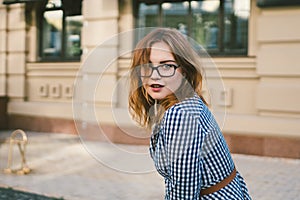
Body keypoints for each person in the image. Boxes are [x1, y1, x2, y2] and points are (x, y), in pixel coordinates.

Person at [128, 28, 251, 200]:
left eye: (166, 66)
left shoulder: (180, 114)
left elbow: (184, 191)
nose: (154, 76)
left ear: (184, 70)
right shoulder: (187, 101)